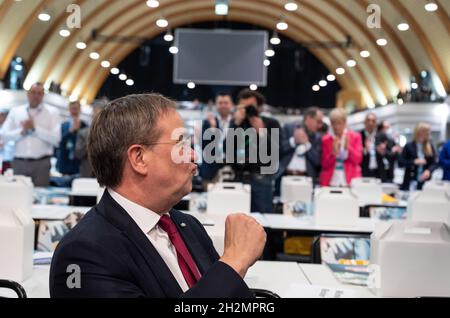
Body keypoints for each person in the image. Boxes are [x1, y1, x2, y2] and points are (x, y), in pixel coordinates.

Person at [50, 94, 266, 298]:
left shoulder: (188, 226)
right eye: (181, 143)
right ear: (139, 158)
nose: (193, 154)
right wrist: (234, 261)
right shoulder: (83, 253)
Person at [225, 89, 281, 213]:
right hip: (239, 179)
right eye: (242, 107)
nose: (247, 110)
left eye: (250, 107)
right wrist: (235, 124)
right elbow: (226, 150)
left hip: (261, 181)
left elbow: (275, 153)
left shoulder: (271, 123)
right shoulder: (236, 123)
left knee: (263, 222)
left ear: (259, 107)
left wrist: (261, 131)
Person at [0, 83, 61, 186]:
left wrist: (35, 129)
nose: (36, 96)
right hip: (19, 162)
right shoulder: (16, 111)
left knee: (40, 196)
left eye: (39, 93)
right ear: (28, 94)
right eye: (33, 92)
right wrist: (21, 131)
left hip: (42, 163)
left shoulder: (52, 112)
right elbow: (4, 135)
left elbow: (56, 139)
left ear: (43, 95)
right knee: (18, 195)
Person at [277, 107, 323, 184]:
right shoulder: (288, 128)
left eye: (321, 123)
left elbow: (318, 161)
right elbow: (277, 151)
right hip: (284, 177)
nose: (320, 126)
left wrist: (307, 144)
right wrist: (293, 141)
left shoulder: (317, 137)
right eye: (318, 122)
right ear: (308, 118)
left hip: (306, 179)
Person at [320, 108, 362, 187]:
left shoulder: (355, 136)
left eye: (339, 123)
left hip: (350, 180)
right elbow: (324, 165)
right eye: (333, 123)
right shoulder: (326, 139)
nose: (336, 127)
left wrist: (348, 147)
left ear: (345, 123)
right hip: (331, 181)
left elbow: (358, 160)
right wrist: (333, 152)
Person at [199, 92, 234, 184]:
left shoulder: (237, 122)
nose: (223, 105)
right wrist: (213, 129)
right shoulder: (208, 122)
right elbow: (204, 146)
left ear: (231, 104)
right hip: (210, 170)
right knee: (210, 196)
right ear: (216, 105)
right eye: (220, 103)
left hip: (232, 169)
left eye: (226, 103)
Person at [399, 123, 438, 191]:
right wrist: (414, 161)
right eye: (426, 131)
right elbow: (401, 162)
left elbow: (434, 163)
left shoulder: (430, 146)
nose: (428, 133)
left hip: (425, 181)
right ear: (419, 132)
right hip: (410, 180)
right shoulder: (409, 146)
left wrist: (429, 171)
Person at [74, 100, 106, 178]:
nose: (95, 116)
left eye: (99, 114)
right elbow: (78, 154)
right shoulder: (83, 133)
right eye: (94, 113)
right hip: (86, 175)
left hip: (106, 175)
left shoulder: (112, 133)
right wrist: (92, 139)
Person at [56, 101, 87, 176]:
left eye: (76, 108)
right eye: (72, 109)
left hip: (78, 163)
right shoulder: (63, 126)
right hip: (64, 162)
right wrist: (71, 131)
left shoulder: (85, 126)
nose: (74, 111)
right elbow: (59, 143)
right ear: (69, 110)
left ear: (80, 110)